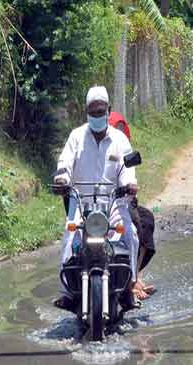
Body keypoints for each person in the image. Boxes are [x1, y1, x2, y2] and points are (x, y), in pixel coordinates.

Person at [52, 86, 140, 312]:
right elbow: (64, 164)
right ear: (86, 113)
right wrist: (62, 180)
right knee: (70, 239)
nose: (97, 116)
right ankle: (67, 293)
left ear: (108, 111)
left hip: (112, 202)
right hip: (81, 202)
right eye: (93, 112)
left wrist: (129, 185)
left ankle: (129, 288)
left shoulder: (120, 139)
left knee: (130, 236)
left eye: (101, 112)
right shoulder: (76, 137)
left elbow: (127, 168)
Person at [107, 111, 155, 301]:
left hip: (120, 200)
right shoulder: (86, 144)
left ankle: (134, 276)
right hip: (93, 203)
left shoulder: (121, 145)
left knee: (142, 222)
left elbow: (128, 171)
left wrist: (129, 187)